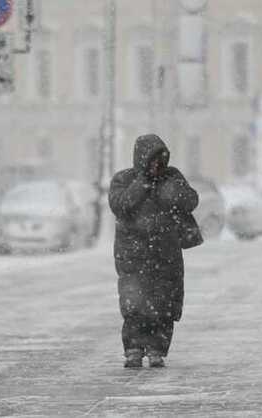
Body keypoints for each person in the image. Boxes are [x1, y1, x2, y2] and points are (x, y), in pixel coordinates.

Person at [109, 134, 200, 368]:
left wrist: (170, 189)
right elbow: (121, 205)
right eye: (152, 160)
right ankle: (134, 349)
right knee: (134, 304)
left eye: (160, 160)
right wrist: (143, 182)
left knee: (165, 304)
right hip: (133, 255)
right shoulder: (124, 179)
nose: (157, 165)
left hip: (166, 254)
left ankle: (157, 349)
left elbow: (191, 201)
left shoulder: (172, 176)